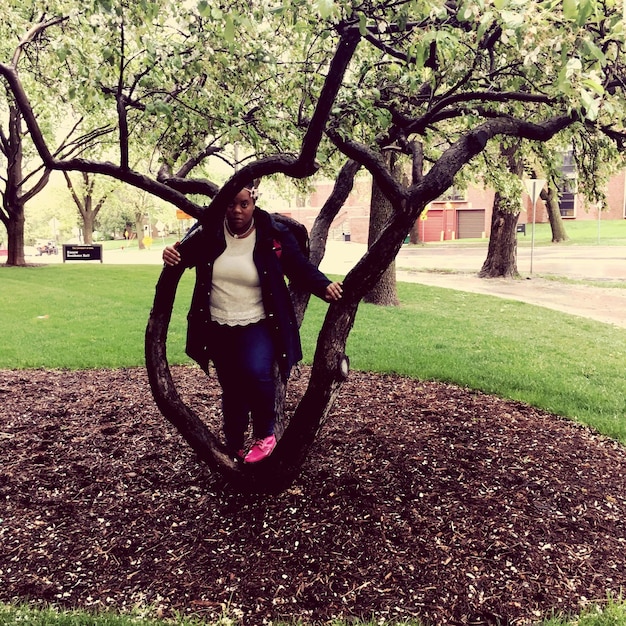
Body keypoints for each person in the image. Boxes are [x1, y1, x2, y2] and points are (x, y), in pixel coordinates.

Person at [162, 181, 343, 464]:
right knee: (232, 387)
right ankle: (233, 443)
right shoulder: (208, 231)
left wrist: (324, 287)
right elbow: (183, 254)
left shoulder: (272, 234)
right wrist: (170, 254)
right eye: (231, 204)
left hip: (257, 321)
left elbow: (299, 267)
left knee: (257, 373)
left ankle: (265, 436)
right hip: (218, 323)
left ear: (253, 204)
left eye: (243, 204)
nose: (237, 210)